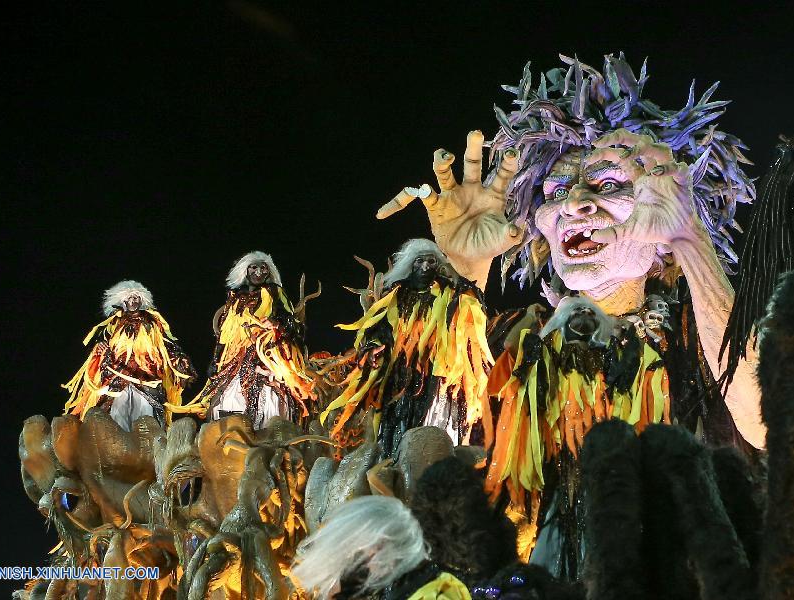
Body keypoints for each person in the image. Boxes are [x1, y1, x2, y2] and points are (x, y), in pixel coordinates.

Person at [376, 53, 763, 571]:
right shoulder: (519, 338)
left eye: (608, 185)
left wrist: (690, 240)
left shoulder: (699, 335)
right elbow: (433, 416)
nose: (575, 203)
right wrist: (463, 272)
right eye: (557, 190)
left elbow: (765, 420)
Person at [321, 239, 493, 457]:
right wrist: (373, 347)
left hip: (438, 374)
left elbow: (471, 317)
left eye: (430, 261)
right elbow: (379, 328)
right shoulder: (397, 295)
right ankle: (395, 463)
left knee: (435, 426)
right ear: (411, 264)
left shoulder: (451, 293)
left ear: (438, 265)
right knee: (398, 423)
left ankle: (438, 466)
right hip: (401, 376)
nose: (425, 267)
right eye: (419, 261)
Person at [178, 251, 316, 427]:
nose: (258, 272)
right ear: (245, 270)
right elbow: (226, 333)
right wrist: (216, 360)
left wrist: (276, 323)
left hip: (267, 356)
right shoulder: (235, 298)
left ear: (269, 272)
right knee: (224, 396)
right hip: (236, 359)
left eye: (263, 268)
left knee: (276, 395)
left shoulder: (275, 292)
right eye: (254, 267)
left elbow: (292, 324)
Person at [63, 280, 195, 430]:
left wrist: (179, 359)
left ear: (142, 300)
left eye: (136, 298)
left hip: (146, 375)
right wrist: (99, 347)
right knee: (117, 413)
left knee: (146, 412)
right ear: (122, 301)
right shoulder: (114, 323)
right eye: (129, 298)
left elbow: (166, 343)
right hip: (117, 374)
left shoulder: (152, 323)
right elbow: (101, 342)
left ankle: (148, 444)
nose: (132, 301)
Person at [292, 496, 470, 600]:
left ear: (380, 544)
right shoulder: (399, 584)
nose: (354, 562)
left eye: (357, 552)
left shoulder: (437, 593)